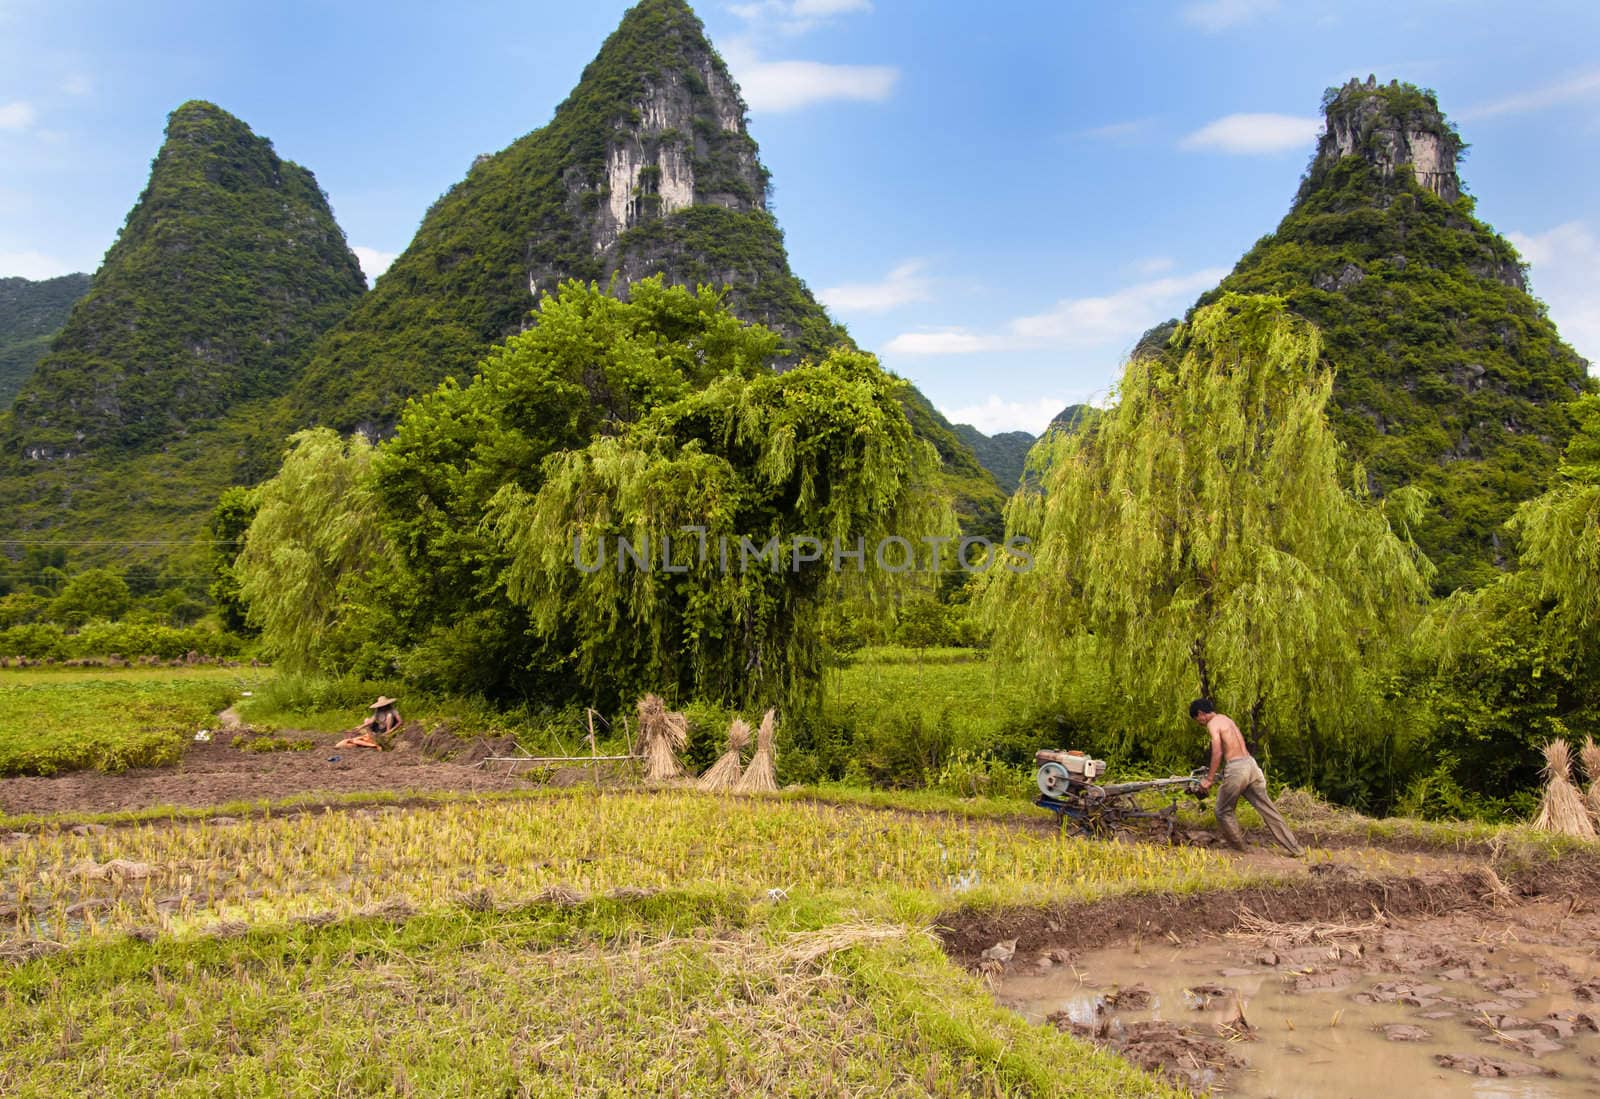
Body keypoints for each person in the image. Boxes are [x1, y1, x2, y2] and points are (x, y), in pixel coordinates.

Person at [1190, 698, 1303, 856]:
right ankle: (1296, 848)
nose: (1199, 723)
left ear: (1201, 714)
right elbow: (1233, 747)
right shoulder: (1226, 719)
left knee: (1222, 810)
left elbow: (1217, 751)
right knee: (1268, 809)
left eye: (1197, 720)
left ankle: (1240, 850)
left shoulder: (1213, 723)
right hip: (1251, 765)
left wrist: (1208, 780)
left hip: (1238, 768)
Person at [335, 696, 402, 751]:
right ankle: (372, 735)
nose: (383, 707)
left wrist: (392, 730)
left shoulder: (392, 710)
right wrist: (361, 726)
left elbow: (400, 722)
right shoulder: (378, 710)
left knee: (389, 716)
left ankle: (387, 734)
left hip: (388, 728)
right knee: (366, 720)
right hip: (380, 727)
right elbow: (371, 721)